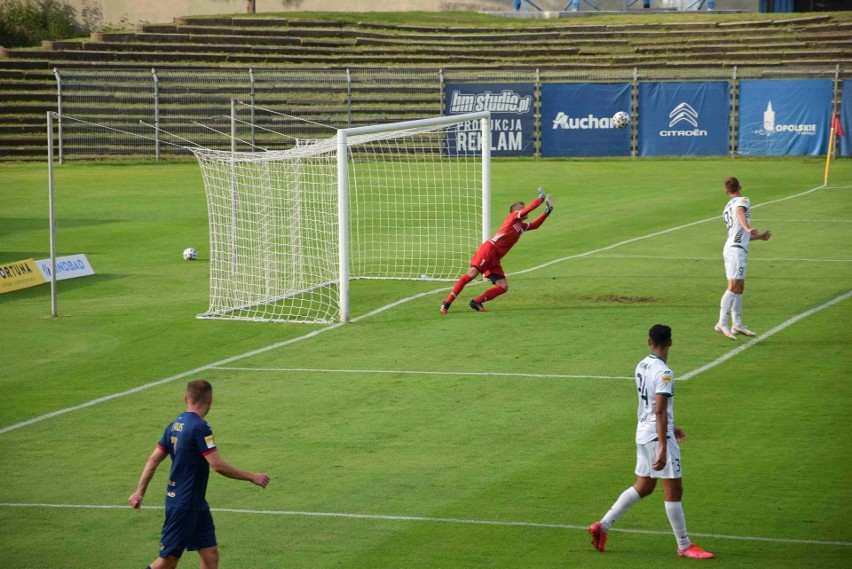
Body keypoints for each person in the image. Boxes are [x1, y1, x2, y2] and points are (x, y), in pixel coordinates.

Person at [588, 324, 714, 560]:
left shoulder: (642, 365)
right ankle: (684, 545)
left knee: (645, 485)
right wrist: (664, 445)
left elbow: (652, 407)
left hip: (643, 432)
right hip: (657, 436)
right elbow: (659, 410)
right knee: (674, 490)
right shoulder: (664, 372)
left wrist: (670, 425)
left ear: (649, 342)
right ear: (671, 342)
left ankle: (602, 526)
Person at [129, 380, 270, 569]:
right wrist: (252, 476)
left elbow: (153, 460)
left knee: (210, 556)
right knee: (168, 562)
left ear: (186, 398)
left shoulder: (174, 425)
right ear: (210, 400)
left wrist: (140, 491)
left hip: (196, 504)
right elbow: (217, 465)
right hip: (183, 505)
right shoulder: (200, 427)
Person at [440, 188, 552, 314]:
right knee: (471, 274)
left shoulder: (521, 226)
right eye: (521, 207)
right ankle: (447, 303)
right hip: (488, 250)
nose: (524, 209)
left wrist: (547, 212)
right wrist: (540, 199)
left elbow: (535, 225)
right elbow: (529, 208)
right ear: (515, 211)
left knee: (503, 286)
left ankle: (476, 302)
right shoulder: (512, 218)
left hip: (495, 259)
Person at [715, 177, 772, 340]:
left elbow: (738, 233)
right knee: (733, 286)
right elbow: (740, 213)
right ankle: (722, 322)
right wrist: (748, 227)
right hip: (735, 250)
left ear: (726, 192)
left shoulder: (727, 206)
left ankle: (737, 323)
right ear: (740, 186)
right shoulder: (743, 200)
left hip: (734, 247)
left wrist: (759, 237)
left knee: (739, 287)